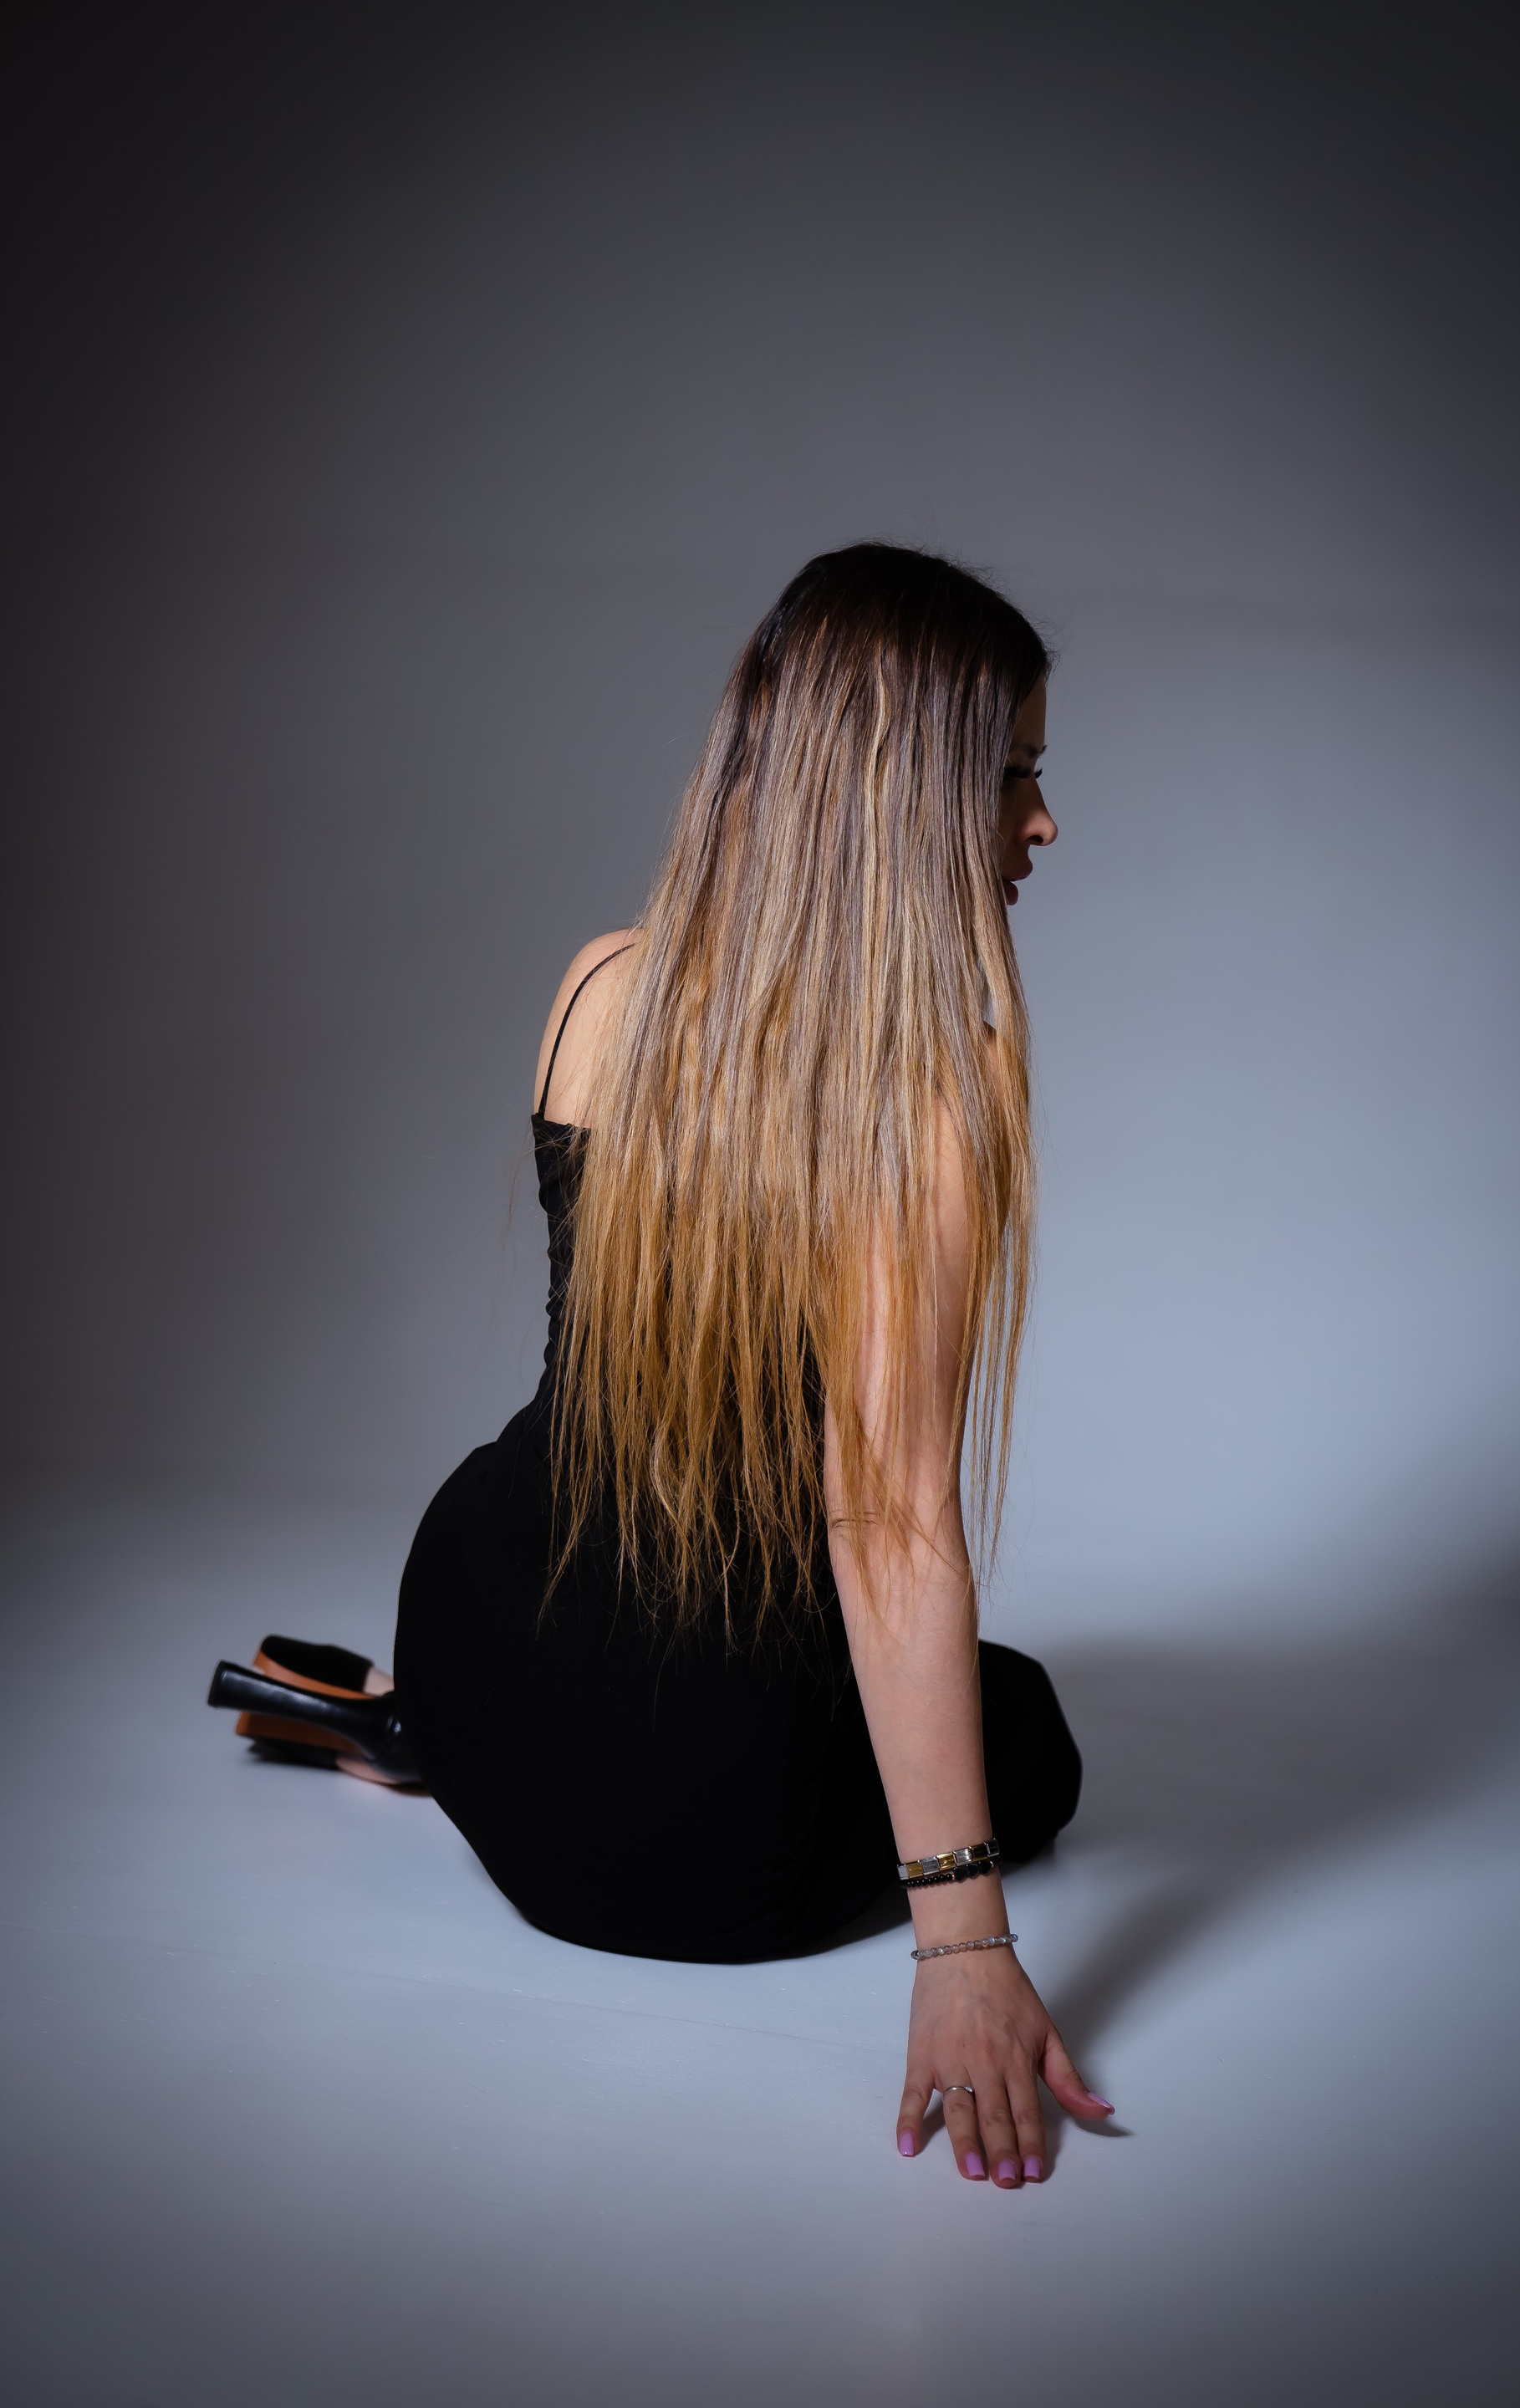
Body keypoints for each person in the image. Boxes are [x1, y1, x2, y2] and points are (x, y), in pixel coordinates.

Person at [207, 543, 1113, 2185]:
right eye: (1015, 775)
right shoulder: (929, 1101)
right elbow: (890, 1524)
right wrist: (965, 1946)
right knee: (1032, 1723)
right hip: (708, 1832)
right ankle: (437, 1733)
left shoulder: (605, 984)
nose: (1043, 822)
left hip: (476, 1618)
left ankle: (416, 1727)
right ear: (909, 793)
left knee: (612, 1606)